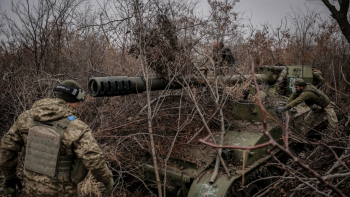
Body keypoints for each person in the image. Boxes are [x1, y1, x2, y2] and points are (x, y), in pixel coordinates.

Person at [0, 80, 114, 196]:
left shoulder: (27, 117)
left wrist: (9, 175)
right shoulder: (76, 127)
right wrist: (107, 180)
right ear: (77, 98)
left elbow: (7, 146)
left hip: (31, 188)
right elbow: (93, 159)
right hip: (62, 191)